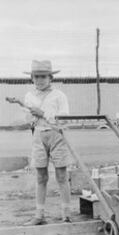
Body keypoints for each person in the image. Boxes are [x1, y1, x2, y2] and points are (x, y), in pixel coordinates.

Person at [22, 60, 71, 225]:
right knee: (41, 176)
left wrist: (43, 113)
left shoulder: (59, 95)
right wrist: (33, 116)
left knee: (62, 175)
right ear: (32, 78)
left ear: (51, 77)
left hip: (57, 136)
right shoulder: (29, 96)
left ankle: (66, 215)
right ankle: (39, 215)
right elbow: (28, 118)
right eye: (36, 77)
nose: (40, 80)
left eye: (43, 76)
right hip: (38, 136)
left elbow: (63, 119)